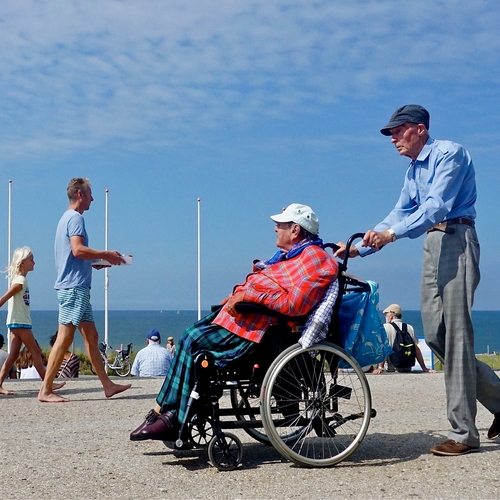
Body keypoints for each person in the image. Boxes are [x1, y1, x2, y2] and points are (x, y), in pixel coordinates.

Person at [335, 104, 500, 456]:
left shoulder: (449, 154)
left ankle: (464, 434)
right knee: (439, 337)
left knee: (456, 338)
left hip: (456, 239)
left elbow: (436, 206)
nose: (393, 138)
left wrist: (391, 235)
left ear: (420, 129)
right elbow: (402, 211)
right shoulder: (413, 170)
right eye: (391, 133)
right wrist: (359, 247)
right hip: (432, 244)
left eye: (398, 130)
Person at [130, 203, 338, 442]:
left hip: (259, 330)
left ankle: (170, 416)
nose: (275, 229)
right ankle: (165, 413)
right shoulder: (290, 257)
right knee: (189, 338)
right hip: (244, 319)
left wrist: (248, 296)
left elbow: (294, 305)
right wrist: (235, 297)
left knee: (191, 341)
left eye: (280, 224)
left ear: (295, 230)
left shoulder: (317, 260)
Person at [38, 178, 131, 403]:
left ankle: (107, 385)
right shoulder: (76, 218)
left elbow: (74, 255)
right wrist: (106, 254)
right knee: (65, 336)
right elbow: (78, 250)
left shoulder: (66, 218)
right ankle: (46, 390)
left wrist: (97, 261)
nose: (93, 198)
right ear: (80, 194)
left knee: (92, 336)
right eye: (90, 194)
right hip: (74, 287)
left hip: (76, 286)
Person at [0, 247, 64, 396]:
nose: (34, 262)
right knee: (35, 351)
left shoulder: (20, 279)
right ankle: (48, 383)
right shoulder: (20, 280)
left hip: (15, 322)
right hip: (20, 322)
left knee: (13, 355)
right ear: (22, 262)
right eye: (31, 259)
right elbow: (8, 295)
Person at [372, 304, 436, 374]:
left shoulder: (385, 327)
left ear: (391, 316)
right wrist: (424, 368)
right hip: (407, 367)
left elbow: (384, 348)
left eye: (386, 314)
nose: (385, 317)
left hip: (392, 368)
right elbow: (416, 349)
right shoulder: (409, 327)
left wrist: (380, 367)